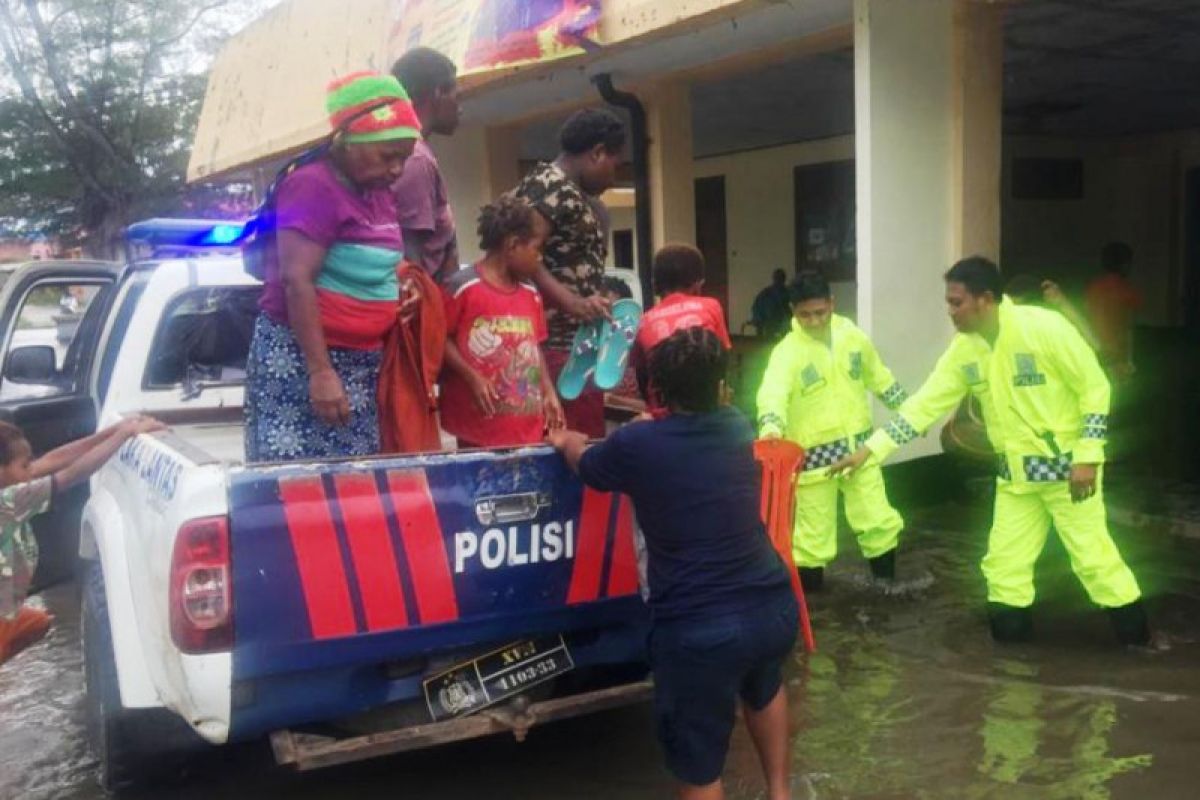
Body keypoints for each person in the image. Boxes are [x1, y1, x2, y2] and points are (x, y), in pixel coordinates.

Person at [832, 257, 1149, 646]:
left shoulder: (1044, 329)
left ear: (985, 300)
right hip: (1015, 481)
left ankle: (1140, 645)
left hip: (1069, 477)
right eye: (949, 303)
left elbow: (1095, 388)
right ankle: (1013, 672)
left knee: (1095, 563)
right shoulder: (965, 351)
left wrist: (1088, 456)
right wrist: (870, 450)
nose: (950, 312)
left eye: (956, 302)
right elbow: (924, 406)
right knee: (1003, 571)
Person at [549, 327, 797, 800]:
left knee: (699, 760)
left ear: (657, 392)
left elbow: (588, 465)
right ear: (720, 387)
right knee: (764, 686)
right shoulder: (736, 425)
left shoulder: (639, 445)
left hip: (700, 628)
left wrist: (566, 440)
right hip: (771, 604)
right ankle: (781, 794)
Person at [244, 71, 422, 462]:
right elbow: (297, 280)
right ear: (348, 141)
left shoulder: (376, 192)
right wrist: (321, 373)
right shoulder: (313, 186)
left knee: (355, 483)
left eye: (403, 159)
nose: (396, 169)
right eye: (387, 155)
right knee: (299, 484)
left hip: (361, 361)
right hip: (303, 362)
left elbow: (374, 256)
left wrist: (399, 283)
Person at [756, 270, 907, 591]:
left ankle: (887, 586)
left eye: (820, 312)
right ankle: (814, 607)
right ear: (793, 312)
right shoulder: (787, 353)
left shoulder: (852, 336)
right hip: (814, 460)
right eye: (805, 315)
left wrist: (908, 411)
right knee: (813, 537)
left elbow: (878, 376)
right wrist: (771, 427)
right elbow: (772, 394)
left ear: (832, 303)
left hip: (860, 452)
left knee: (878, 521)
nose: (814, 321)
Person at [1, 417, 163, 665]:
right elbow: (72, 475)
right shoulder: (10, 500)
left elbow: (55, 459)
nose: (31, 471)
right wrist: (122, 436)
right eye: (25, 466)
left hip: (6, 612)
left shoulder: (13, 486)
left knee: (38, 622)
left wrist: (116, 430)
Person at [512, 108, 624, 438]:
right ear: (597, 152)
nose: (613, 176)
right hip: (557, 345)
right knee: (571, 445)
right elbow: (524, 255)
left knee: (584, 443)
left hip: (579, 344)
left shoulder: (572, 194)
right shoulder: (549, 186)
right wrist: (572, 302)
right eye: (613, 164)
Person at [439, 196, 565, 448]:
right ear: (513, 245)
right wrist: (471, 376)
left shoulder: (530, 293)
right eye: (536, 249)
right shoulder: (463, 287)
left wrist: (548, 391)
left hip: (525, 425)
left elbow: (534, 345)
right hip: (478, 426)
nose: (539, 258)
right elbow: (439, 338)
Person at [631, 243, 732, 417]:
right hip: (708, 412)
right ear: (697, 285)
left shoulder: (643, 321)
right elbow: (723, 358)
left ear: (655, 285)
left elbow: (641, 374)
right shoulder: (711, 306)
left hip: (662, 416)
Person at [390, 47, 461, 282]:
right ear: (439, 92)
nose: (460, 108)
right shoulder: (415, 159)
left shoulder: (413, 153)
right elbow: (411, 257)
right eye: (457, 97)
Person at [1085, 242, 1142, 384]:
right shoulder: (1127, 291)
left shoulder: (1092, 288)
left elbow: (1087, 316)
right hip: (1117, 352)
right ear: (1125, 265)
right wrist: (1129, 360)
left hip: (1093, 347)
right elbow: (1129, 328)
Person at [750, 269, 792, 340]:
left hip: (775, 324)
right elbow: (756, 309)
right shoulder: (766, 293)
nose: (778, 280)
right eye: (778, 278)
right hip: (770, 324)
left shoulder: (787, 293)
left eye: (780, 278)